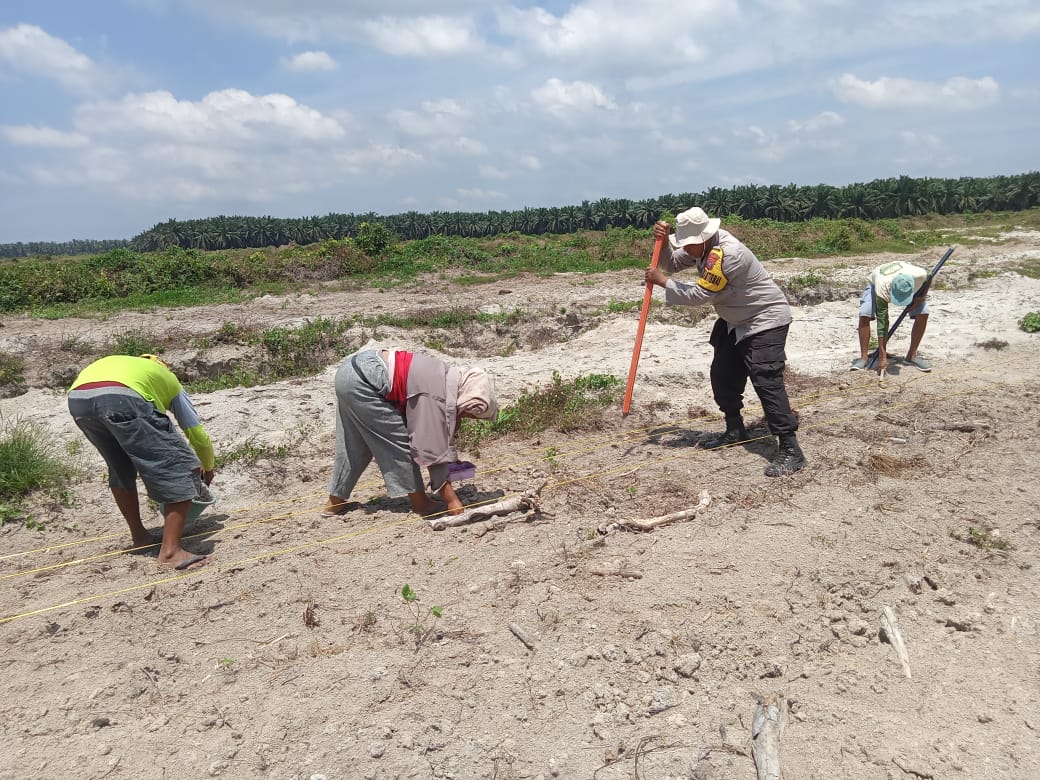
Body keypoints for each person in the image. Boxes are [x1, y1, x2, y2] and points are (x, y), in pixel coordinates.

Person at [644, 206, 806, 476]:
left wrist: (663, 282)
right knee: (722, 375)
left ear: (706, 236)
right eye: (684, 243)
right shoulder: (700, 246)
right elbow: (671, 263)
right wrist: (661, 242)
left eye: (689, 244)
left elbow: (698, 296)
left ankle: (791, 449)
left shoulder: (728, 254)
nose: (687, 249)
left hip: (764, 318)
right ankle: (735, 429)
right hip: (735, 320)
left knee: (766, 380)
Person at [67, 354, 216, 570]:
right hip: (122, 398)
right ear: (164, 367)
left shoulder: (126, 365)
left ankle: (140, 538)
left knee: (120, 467)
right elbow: (196, 432)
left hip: (78, 401)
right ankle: (171, 553)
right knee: (179, 466)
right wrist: (208, 467)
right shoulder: (168, 378)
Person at [323, 348, 497, 517]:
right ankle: (421, 504)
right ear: (465, 396)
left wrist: (449, 451)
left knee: (355, 442)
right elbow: (431, 446)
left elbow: (444, 423)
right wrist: (452, 501)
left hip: (350, 372)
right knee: (400, 442)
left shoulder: (445, 376)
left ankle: (335, 503)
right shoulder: (434, 396)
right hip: (366, 380)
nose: (466, 416)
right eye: (468, 413)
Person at [851, 261, 931, 373]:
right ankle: (864, 357)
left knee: (923, 313)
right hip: (876, 282)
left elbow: (929, 277)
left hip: (906, 281)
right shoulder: (882, 288)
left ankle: (912, 355)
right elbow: (882, 322)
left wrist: (921, 297)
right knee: (865, 313)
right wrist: (882, 355)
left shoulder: (920, 275)